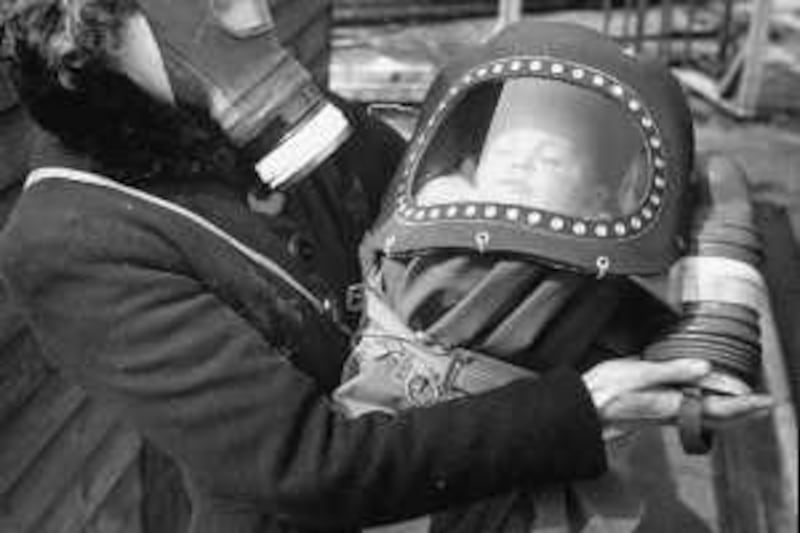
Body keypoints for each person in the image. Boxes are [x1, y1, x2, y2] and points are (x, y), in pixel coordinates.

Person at [0, 3, 770, 533]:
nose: (242, 16)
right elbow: (307, 464)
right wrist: (587, 406)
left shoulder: (256, 117)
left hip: (492, 489)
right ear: (82, 38)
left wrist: (674, 337)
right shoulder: (73, 234)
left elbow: (480, 246)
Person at [334, 21, 774, 532]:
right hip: (393, 452)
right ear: (473, 167)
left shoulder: (597, 284)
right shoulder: (425, 245)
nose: (521, 168)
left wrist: (708, 360)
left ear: (595, 201)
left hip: (524, 469)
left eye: (548, 160)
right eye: (509, 154)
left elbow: (701, 353)